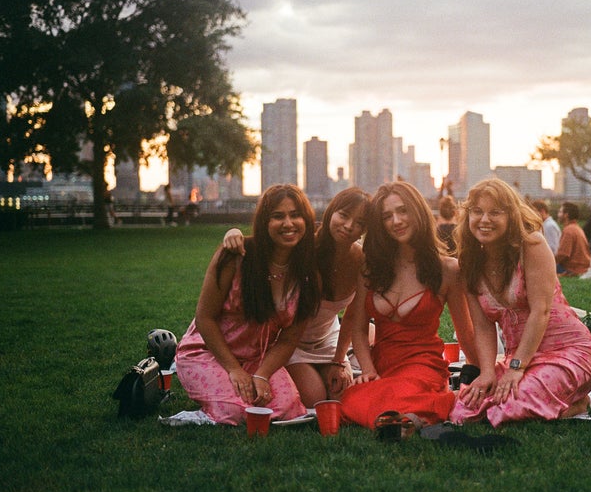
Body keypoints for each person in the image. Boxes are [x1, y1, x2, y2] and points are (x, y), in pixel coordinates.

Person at [449, 179, 591, 426]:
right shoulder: (470, 263)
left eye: (495, 212)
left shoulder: (531, 245)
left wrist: (516, 368)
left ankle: (577, 403)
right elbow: (483, 327)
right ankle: (554, 400)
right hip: (519, 359)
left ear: (511, 216)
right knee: (464, 409)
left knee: (509, 406)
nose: (484, 219)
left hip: (567, 352)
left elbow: (541, 311)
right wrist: (487, 372)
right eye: (477, 211)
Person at [174, 184, 321, 425]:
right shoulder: (236, 256)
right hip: (208, 352)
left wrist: (262, 375)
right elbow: (205, 318)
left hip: (257, 359)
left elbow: (288, 339)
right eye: (278, 216)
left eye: (296, 215)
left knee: (287, 408)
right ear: (264, 222)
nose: (288, 223)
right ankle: (202, 412)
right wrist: (234, 369)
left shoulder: (307, 275)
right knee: (236, 411)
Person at [340, 181, 477, 431]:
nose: (396, 221)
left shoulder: (447, 269)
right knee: (349, 399)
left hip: (423, 366)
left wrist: (483, 373)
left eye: (403, 211)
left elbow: (466, 333)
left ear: (418, 211)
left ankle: (416, 411)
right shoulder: (370, 267)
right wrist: (368, 370)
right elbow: (358, 329)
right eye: (387, 216)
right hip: (383, 365)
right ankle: (414, 412)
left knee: (396, 394)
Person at [222, 187, 372, 407]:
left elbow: (351, 316)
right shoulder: (302, 248)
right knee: (315, 399)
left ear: (364, 230)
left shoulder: (361, 260)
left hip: (328, 339)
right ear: (331, 212)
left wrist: (339, 361)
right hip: (290, 341)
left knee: (341, 397)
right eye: (344, 215)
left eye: (359, 222)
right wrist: (233, 233)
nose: (349, 226)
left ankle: (344, 363)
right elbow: (265, 244)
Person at [555, 201, 591, 276]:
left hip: (571, 268)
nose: (558, 215)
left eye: (560, 212)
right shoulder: (577, 228)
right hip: (583, 267)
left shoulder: (568, 230)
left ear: (566, 215)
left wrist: (550, 262)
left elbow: (563, 254)